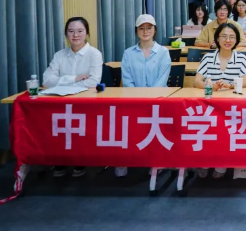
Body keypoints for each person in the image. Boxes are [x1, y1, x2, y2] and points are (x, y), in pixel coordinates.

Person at [44, 17, 103, 178]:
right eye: (71, 31)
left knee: (79, 124)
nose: (75, 35)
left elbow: (93, 82)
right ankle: (60, 159)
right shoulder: (60, 55)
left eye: (80, 31)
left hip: (85, 102)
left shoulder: (94, 54)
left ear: (87, 33)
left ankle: (79, 160)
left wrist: (62, 83)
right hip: (60, 102)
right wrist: (74, 78)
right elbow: (47, 80)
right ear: (66, 34)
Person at [116, 14, 172, 178]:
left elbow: (162, 80)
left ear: (155, 30)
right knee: (122, 123)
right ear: (136, 31)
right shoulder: (128, 53)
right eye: (141, 28)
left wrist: (149, 101)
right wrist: (138, 100)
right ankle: (124, 159)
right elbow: (127, 80)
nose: (145, 31)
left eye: (149, 28)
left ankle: (156, 161)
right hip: (134, 100)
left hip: (159, 100)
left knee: (157, 123)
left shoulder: (163, 52)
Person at [194, 22, 246, 179]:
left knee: (227, 128)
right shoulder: (208, 58)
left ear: (236, 40)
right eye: (224, 36)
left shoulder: (241, 58)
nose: (228, 40)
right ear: (217, 39)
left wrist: (230, 85)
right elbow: (197, 81)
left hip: (232, 107)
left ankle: (222, 162)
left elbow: (245, 82)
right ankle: (205, 160)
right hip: (210, 105)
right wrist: (210, 86)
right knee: (206, 127)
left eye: (232, 37)